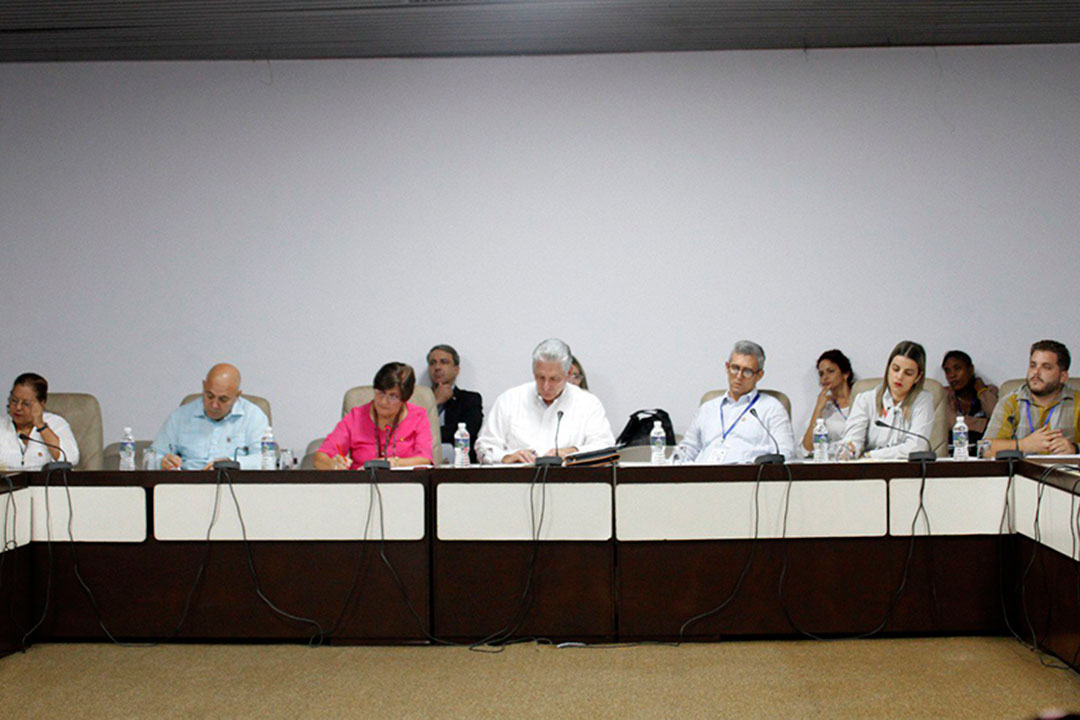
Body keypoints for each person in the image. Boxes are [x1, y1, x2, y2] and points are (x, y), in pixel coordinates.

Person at [475, 338, 614, 464]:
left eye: (554, 379)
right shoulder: (509, 400)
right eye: (540, 377)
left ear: (569, 373)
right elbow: (484, 447)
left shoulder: (587, 403)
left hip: (570, 483)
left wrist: (572, 451)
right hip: (516, 483)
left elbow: (605, 446)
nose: (546, 386)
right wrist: (506, 457)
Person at [679, 340, 795, 464]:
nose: (739, 376)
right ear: (727, 368)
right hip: (703, 477)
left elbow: (785, 452)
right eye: (735, 368)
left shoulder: (772, 408)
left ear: (759, 375)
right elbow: (687, 449)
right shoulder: (708, 408)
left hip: (746, 479)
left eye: (747, 371)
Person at [150, 363, 270, 470]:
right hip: (189, 485)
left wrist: (231, 463)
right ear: (204, 386)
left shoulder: (253, 416)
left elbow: (266, 460)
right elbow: (152, 456)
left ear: (237, 396)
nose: (214, 404)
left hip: (233, 487)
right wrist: (161, 462)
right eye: (209, 395)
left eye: (223, 399)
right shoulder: (180, 417)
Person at [314, 362, 434, 470]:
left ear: (405, 398)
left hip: (406, 486)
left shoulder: (418, 416)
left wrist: (391, 463)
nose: (383, 401)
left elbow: (424, 459)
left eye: (392, 396)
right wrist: (333, 465)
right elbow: (321, 457)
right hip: (362, 487)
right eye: (380, 393)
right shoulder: (356, 417)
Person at [840, 341, 935, 459]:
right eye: (895, 369)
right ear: (888, 369)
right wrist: (851, 449)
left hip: (906, 472)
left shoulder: (923, 401)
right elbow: (853, 440)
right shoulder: (865, 400)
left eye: (908, 373)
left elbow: (916, 447)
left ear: (918, 377)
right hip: (867, 471)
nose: (899, 377)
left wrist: (870, 455)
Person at [985, 340, 1080, 458]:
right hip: (1020, 474)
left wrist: (1074, 448)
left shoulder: (1077, 402)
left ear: (1062, 377)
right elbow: (985, 449)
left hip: (1066, 474)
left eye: (1046, 367)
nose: (1036, 372)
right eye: (1033, 365)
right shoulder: (1010, 402)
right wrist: (1023, 445)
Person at [0, 373, 80, 471]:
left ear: (41, 404)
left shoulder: (56, 424)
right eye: (14, 401)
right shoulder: (2, 426)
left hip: (47, 485)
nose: (18, 408)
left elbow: (70, 458)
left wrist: (40, 425)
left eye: (26, 403)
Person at [427, 344, 483, 464]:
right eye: (432, 363)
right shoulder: (417, 400)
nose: (437, 367)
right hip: (423, 463)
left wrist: (429, 434)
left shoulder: (470, 399)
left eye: (444, 362)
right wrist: (436, 402)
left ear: (456, 369)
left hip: (461, 466)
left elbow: (469, 431)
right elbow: (408, 433)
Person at [800, 349, 855, 454]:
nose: (825, 377)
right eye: (821, 374)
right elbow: (808, 448)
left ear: (845, 374)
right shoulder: (825, 407)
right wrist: (818, 409)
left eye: (830, 371)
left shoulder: (861, 402)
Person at [942, 350, 999, 444]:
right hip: (954, 451)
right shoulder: (944, 395)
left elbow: (997, 418)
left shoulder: (989, 390)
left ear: (970, 369)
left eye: (957, 368)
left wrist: (981, 391)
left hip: (985, 450)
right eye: (947, 371)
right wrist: (984, 424)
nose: (952, 375)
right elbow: (951, 422)